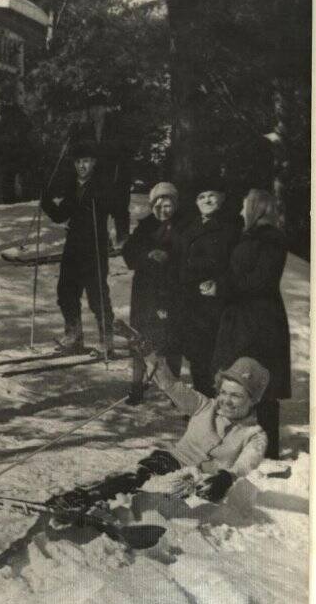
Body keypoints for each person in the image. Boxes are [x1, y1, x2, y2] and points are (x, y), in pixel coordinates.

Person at [48, 351, 270, 511]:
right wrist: (149, 355)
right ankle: (84, 497)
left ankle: (124, 509)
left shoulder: (255, 435)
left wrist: (227, 477)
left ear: (253, 400)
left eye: (236, 395)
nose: (226, 401)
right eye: (224, 392)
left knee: (163, 492)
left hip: (202, 483)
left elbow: (247, 462)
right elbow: (172, 386)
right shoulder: (204, 406)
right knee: (139, 477)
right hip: (170, 462)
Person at [212, 189, 291, 460]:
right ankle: (239, 450)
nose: (240, 210)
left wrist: (222, 288)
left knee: (260, 385)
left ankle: (268, 455)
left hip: (259, 324)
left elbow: (260, 282)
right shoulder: (251, 236)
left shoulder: (271, 240)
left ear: (257, 208)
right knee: (239, 383)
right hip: (243, 319)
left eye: (245, 205)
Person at [41, 139, 117, 355]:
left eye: (86, 161)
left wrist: (102, 198)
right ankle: (74, 337)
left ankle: (106, 340)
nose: (82, 166)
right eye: (78, 162)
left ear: (94, 163)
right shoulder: (73, 186)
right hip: (73, 245)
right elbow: (60, 215)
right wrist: (45, 200)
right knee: (65, 291)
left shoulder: (102, 184)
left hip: (94, 245)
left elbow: (113, 205)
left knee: (97, 293)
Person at [176, 177, 241, 396]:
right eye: (201, 197)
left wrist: (220, 285)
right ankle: (204, 409)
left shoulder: (232, 229)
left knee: (219, 360)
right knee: (197, 358)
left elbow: (239, 268)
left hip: (217, 305)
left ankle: (221, 411)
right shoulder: (189, 228)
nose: (207, 200)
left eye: (212, 195)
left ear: (222, 198)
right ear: (195, 202)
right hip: (191, 304)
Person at [122, 182, 182, 405]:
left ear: (175, 206)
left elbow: (188, 257)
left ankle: (175, 392)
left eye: (168, 205)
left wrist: (169, 258)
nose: (163, 209)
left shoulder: (182, 228)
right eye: (159, 204)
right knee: (140, 339)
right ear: (152, 205)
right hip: (145, 295)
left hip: (171, 293)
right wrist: (148, 255)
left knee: (172, 343)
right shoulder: (144, 227)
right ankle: (136, 386)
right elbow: (128, 255)